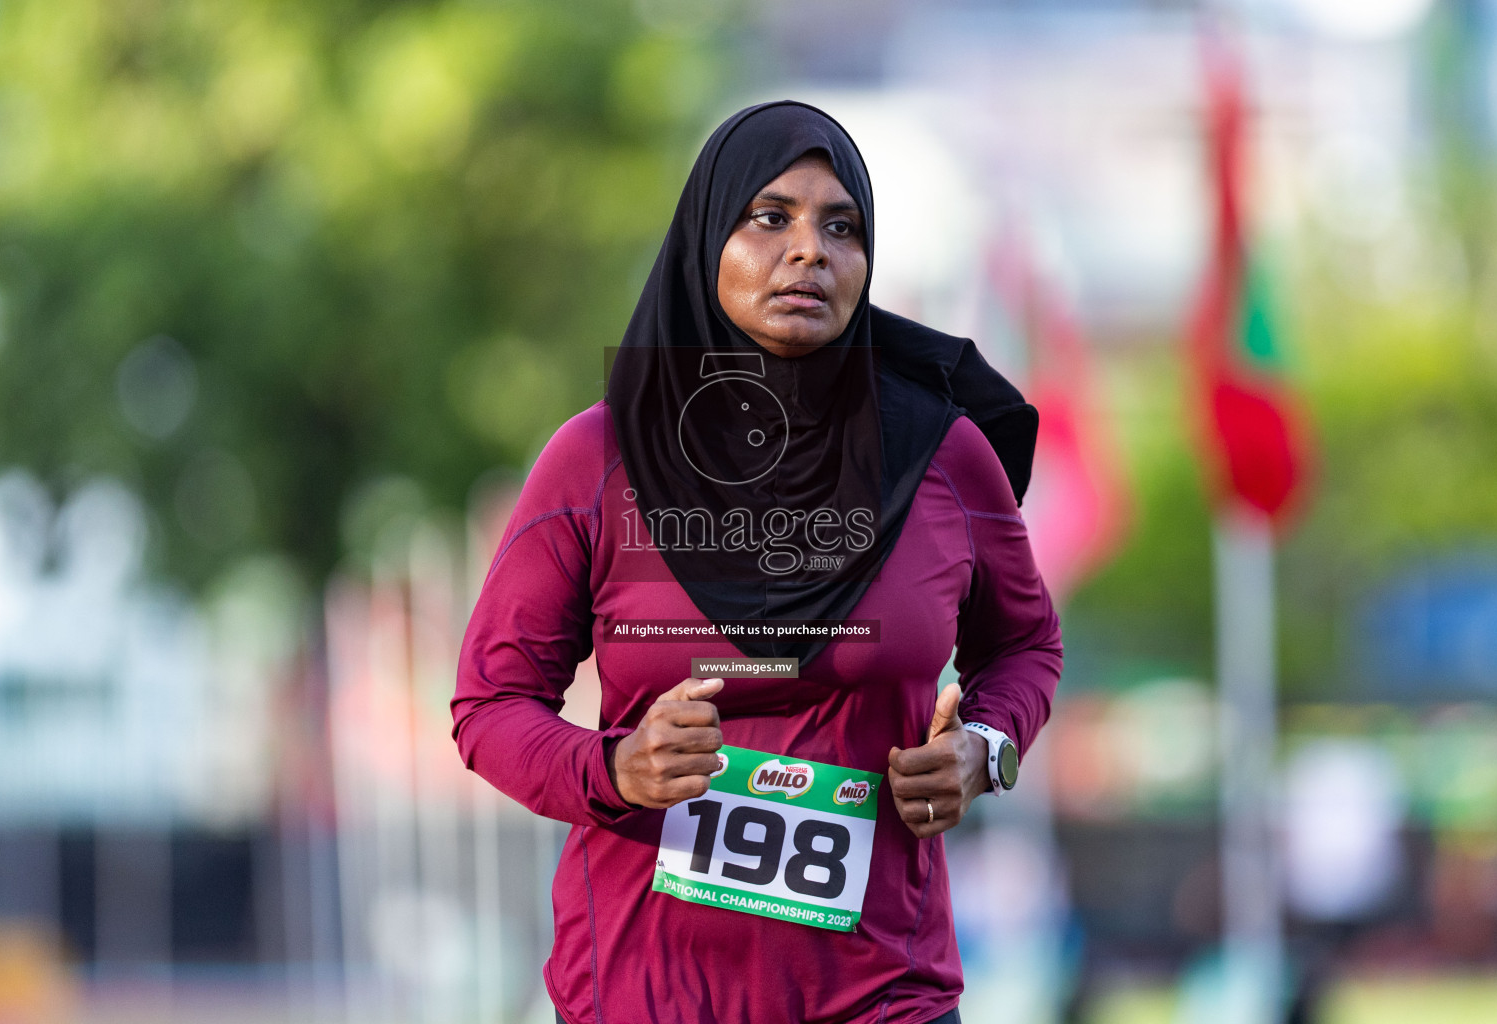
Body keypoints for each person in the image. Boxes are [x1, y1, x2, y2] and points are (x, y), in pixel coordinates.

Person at [453, 101, 1062, 1024]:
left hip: (883, 996)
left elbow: (1026, 645)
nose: (810, 250)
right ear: (707, 242)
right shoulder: (598, 461)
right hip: (646, 994)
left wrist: (986, 748)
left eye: (841, 226)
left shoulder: (944, 457)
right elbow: (489, 706)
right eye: (769, 217)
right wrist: (613, 770)